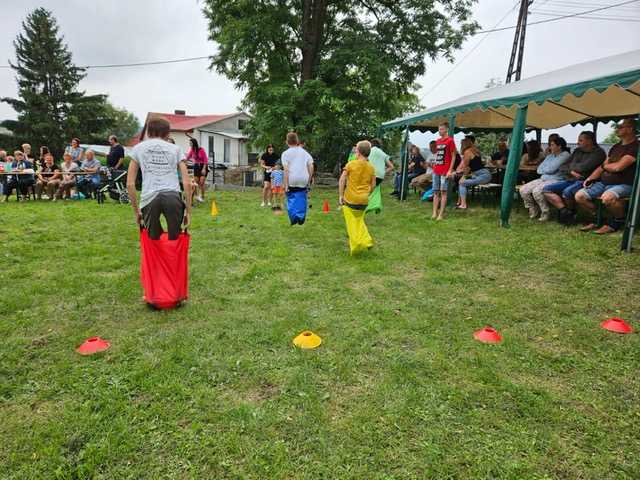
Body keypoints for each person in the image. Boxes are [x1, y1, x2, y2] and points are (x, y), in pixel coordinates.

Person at [126, 117, 191, 240]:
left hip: (149, 198)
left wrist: (136, 212)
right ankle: (173, 259)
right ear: (167, 133)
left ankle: (156, 259)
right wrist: (188, 211)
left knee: (153, 240)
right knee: (175, 239)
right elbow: (187, 183)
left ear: (148, 132)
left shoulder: (138, 148)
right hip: (172, 196)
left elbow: (130, 184)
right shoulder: (176, 149)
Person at [575, 118, 639, 234]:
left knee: (607, 198)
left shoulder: (636, 147)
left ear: (630, 129)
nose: (617, 129)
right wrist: (590, 178)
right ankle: (599, 218)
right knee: (579, 196)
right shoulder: (616, 146)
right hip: (605, 183)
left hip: (625, 184)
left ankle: (617, 221)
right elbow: (602, 166)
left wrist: (607, 166)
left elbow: (618, 167)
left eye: (621, 127)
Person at [542, 131, 606, 224]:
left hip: (585, 181)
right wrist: (571, 171)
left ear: (589, 141)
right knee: (546, 190)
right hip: (570, 179)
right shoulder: (577, 151)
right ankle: (565, 211)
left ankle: (572, 213)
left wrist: (570, 167)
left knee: (567, 192)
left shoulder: (599, 153)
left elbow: (583, 167)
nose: (577, 142)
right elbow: (562, 166)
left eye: (580, 140)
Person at [520, 137, 571, 221]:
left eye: (552, 145)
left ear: (559, 146)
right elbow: (539, 169)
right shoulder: (550, 156)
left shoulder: (565, 155)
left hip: (557, 180)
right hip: (543, 178)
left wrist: (547, 169)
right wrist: (547, 170)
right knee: (523, 189)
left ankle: (545, 212)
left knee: (537, 191)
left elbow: (552, 169)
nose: (550, 147)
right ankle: (533, 209)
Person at [339, 140, 376, 255]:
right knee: (359, 221)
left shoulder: (351, 164)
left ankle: (356, 244)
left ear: (358, 152)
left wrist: (341, 195)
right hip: (363, 200)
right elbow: (373, 185)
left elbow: (342, 180)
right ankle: (367, 240)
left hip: (350, 199)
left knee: (351, 223)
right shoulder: (371, 167)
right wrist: (367, 193)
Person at [282, 132, 314, 225]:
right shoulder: (305, 153)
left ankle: (293, 217)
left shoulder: (285, 153)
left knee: (291, 197)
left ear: (287, 142)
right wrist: (309, 179)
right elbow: (311, 166)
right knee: (301, 197)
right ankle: (301, 217)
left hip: (292, 178)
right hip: (303, 178)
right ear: (297, 141)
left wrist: (286, 185)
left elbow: (286, 170)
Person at [456, 137, 492, 210]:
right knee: (462, 182)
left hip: (482, 175)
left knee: (461, 183)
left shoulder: (467, 152)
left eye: (461, 144)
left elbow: (467, 168)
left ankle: (463, 205)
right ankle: (460, 202)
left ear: (464, 144)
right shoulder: (475, 150)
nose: (460, 146)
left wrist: (463, 177)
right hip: (485, 174)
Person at [432, 122, 457, 220]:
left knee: (443, 192)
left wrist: (450, 170)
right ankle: (434, 212)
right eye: (439, 129)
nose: (440, 131)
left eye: (441, 129)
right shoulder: (437, 141)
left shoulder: (450, 141)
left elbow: (454, 155)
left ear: (446, 129)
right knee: (435, 192)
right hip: (436, 170)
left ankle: (441, 214)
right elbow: (438, 154)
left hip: (445, 171)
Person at [186, 138, 208, 203]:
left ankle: (202, 196)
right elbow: (187, 157)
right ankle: (197, 196)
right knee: (195, 182)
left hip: (203, 166)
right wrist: (183, 161)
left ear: (194, 143)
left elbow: (205, 160)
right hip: (196, 167)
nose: (190, 144)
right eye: (189, 143)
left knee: (201, 182)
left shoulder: (201, 150)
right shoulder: (192, 150)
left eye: (191, 143)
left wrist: (204, 168)